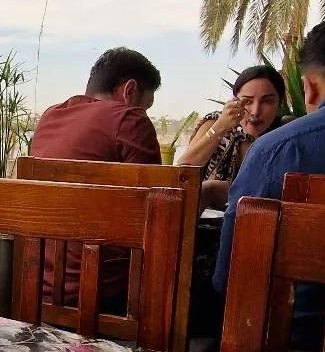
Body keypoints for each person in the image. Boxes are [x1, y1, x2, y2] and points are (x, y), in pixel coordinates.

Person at [213, 17, 325, 350]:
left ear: (309, 87)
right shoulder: (238, 138)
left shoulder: (277, 151)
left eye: (267, 100)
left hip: (298, 351)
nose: (256, 110)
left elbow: (232, 275)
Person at [30, 46, 162, 309]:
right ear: (129, 90)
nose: (143, 113)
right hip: (105, 294)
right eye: (146, 106)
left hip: (40, 287)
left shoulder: (50, 117)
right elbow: (159, 213)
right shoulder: (128, 118)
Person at [178, 65, 286, 209]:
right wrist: (221, 127)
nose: (255, 111)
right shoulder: (215, 122)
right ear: (234, 101)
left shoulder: (285, 133)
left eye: (267, 101)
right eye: (247, 101)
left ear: (280, 104)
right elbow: (183, 169)